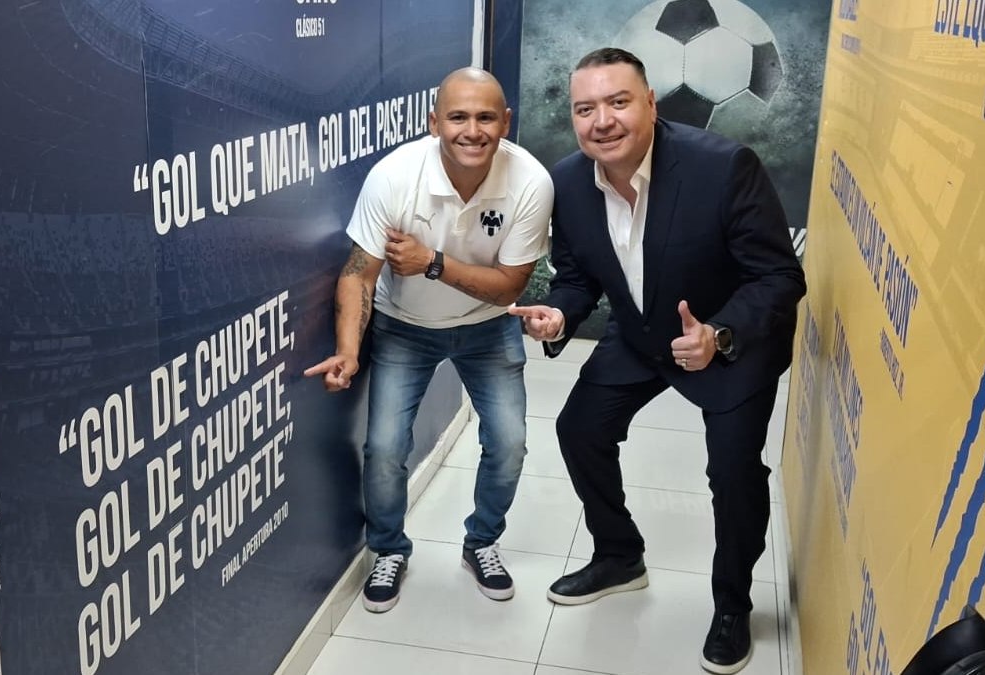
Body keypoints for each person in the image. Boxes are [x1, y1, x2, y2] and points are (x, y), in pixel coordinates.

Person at [509, 48, 805, 674]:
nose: (602, 122)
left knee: (732, 475)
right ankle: (619, 555)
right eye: (585, 109)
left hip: (726, 344)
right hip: (640, 336)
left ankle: (732, 605)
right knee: (579, 430)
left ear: (651, 104)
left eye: (618, 102)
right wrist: (561, 314)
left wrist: (720, 334)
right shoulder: (567, 180)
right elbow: (578, 274)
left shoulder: (724, 168)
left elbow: (780, 277)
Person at [304, 67, 553, 613]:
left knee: (509, 443)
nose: (472, 130)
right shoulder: (395, 176)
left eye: (486, 117)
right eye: (458, 116)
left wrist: (432, 263)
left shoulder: (531, 182)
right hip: (404, 330)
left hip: (488, 328)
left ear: (506, 122)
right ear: (433, 120)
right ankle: (388, 550)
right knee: (386, 449)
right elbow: (357, 271)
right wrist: (348, 350)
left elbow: (511, 285)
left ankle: (481, 543)